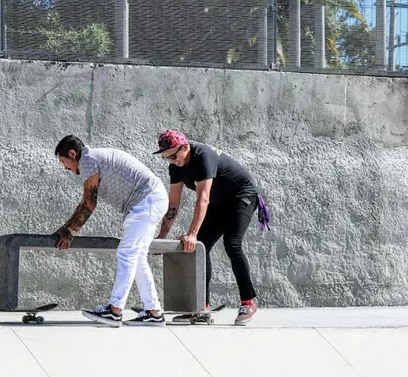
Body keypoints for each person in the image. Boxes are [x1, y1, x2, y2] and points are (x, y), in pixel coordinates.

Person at [154, 129, 268, 325]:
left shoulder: (203, 156)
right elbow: (173, 205)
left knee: (232, 243)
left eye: (174, 155)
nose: (172, 160)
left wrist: (191, 233)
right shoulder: (175, 167)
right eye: (167, 158)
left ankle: (248, 302)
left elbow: (203, 199)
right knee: (201, 246)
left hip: (241, 196)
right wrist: (161, 236)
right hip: (219, 202)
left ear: (185, 147)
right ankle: (202, 307)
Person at [54, 135, 169, 326]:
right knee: (137, 257)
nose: (65, 168)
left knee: (126, 254)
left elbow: (90, 203)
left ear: (72, 154)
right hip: (151, 200)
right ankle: (154, 312)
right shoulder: (93, 158)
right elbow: (85, 202)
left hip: (146, 201)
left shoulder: (87, 160)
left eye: (64, 162)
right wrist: (65, 228)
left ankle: (115, 310)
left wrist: (70, 233)